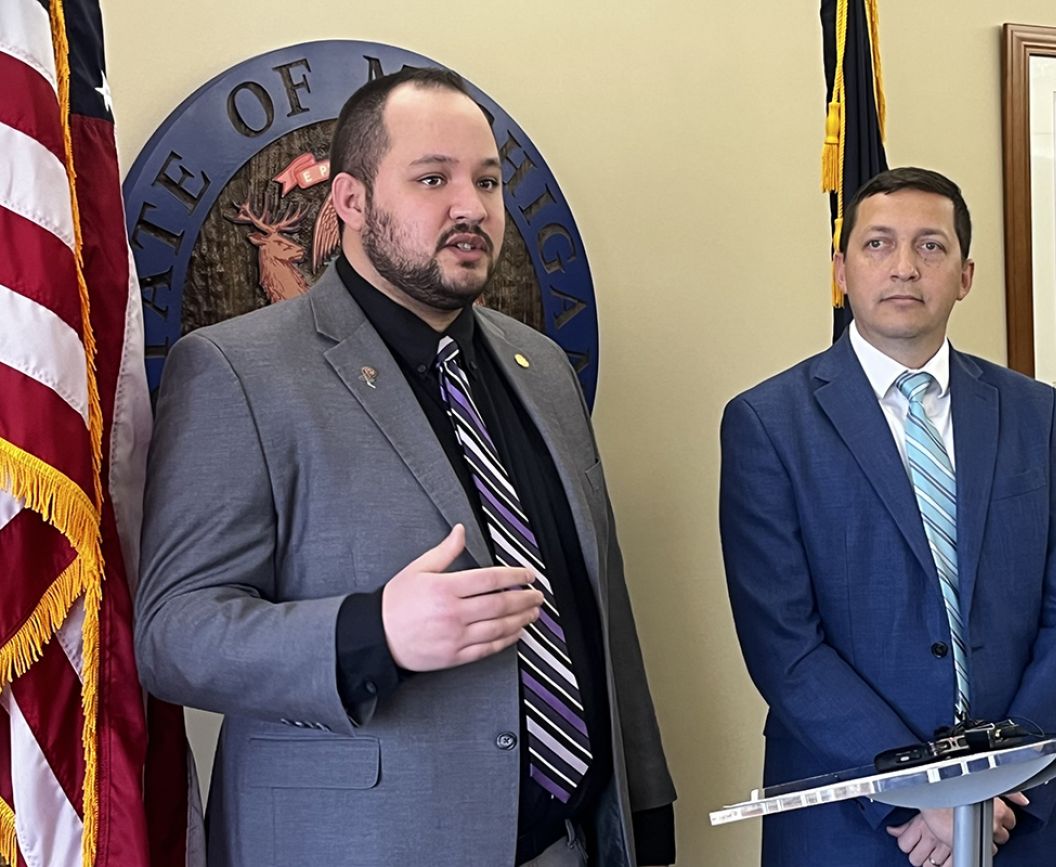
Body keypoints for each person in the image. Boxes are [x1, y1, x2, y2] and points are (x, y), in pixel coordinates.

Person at [135, 68, 675, 867]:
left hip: (568, 845)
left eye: (486, 181)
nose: (472, 207)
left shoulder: (544, 369)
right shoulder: (235, 369)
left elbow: (601, 611)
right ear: (349, 202)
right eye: (433, 179)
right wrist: (372, 631)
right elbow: (172, 635)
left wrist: (644, 815)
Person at [719, 167, 1056, 867]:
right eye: (876, 245)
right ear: (840, 270)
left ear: (965, 274)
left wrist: (997, 786)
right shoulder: (768, 424)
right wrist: (919, 793)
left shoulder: (1032, 412)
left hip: (1019, 821)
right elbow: (785, 645)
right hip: (855, 824)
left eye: (931, 246)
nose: (903, 267)